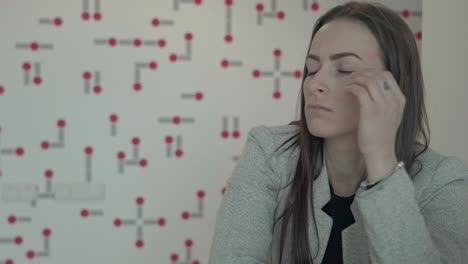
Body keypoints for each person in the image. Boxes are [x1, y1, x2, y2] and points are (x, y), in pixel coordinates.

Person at [208, 1, 468, 264]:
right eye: (312, 69)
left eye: (344, 70)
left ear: (397, 87)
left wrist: (380, 157)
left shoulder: (443, 182)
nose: (315, 84)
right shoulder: (270, 153)